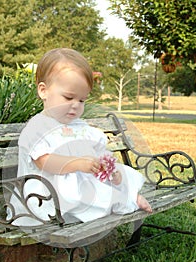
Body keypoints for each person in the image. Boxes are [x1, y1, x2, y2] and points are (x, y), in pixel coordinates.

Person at [8, 48, 152, 228]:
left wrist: (106, 167)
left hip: (77, 183)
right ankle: (126, 200)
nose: (75, 106)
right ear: (43, 91)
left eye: (82, 100)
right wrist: (78, 164)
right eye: (68, 97)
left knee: (118, 174)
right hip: (45, 193)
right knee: (81, 192)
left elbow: (98, 152)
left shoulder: (81, 127)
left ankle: (125, 196)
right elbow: (44, 162)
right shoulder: (37, 128)